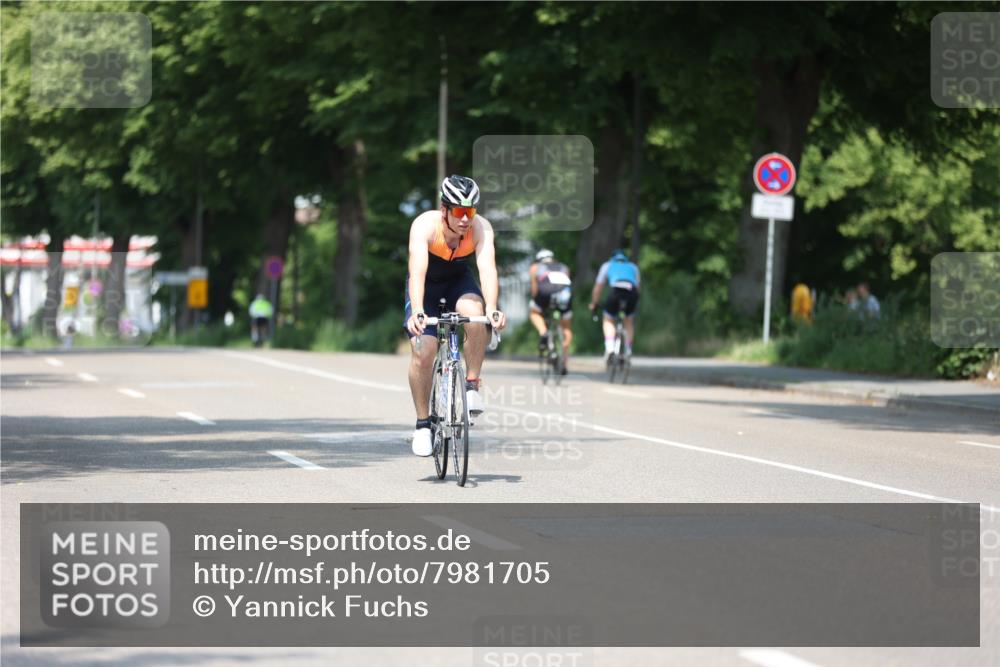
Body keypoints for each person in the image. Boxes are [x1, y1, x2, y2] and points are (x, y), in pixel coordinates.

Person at [404, 175, 507, 457]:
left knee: (475, 315)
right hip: (426, 285)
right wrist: (417, 311)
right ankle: (423, 424)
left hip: (458, 282)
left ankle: (472, 383)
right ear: (444, 209)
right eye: (459, 212)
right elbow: (417, 273)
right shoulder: (425, 226)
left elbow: (487, 269)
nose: (465, 219)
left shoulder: (480, 228)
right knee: (424, 351)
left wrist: (492, 308)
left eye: (471, 211)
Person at [589, 249, 641, 359]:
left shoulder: (607, 265)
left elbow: (598, 288)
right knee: (628, 321)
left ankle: (610, 348)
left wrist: (594, 303)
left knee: (608, 319)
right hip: (632, 293)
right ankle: (628, 349)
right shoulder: (633, 267)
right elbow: (637, 288)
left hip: (616, 292)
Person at [528, 249, 573, 374]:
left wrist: (535, 301)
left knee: (534, 312)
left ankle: (543, 332)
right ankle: (564, 361)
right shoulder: (564, 267)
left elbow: (534, 289)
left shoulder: (535, 267)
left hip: (545, 294)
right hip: (564, 296)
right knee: (566, 328)